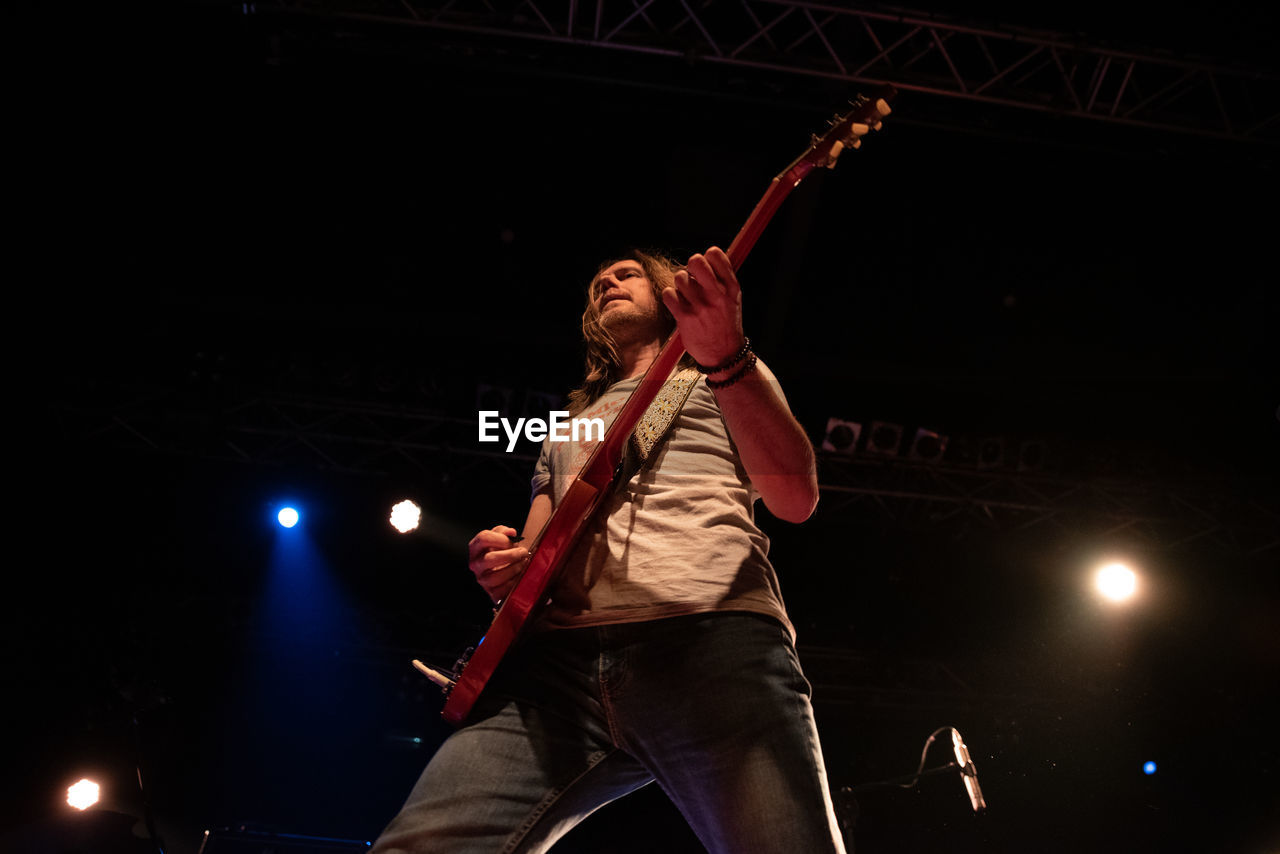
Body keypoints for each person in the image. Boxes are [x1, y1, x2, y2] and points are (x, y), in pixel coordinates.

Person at [371, 246, 846, 853]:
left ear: (667, 293)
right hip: (554, 671)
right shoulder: (565, 428)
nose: (608, 284)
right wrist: (501, 562)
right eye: (598, 283)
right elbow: (533, 557)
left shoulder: (718, 372)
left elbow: (794, 498)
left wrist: (727, 355)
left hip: (709, 639)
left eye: (626, 275)